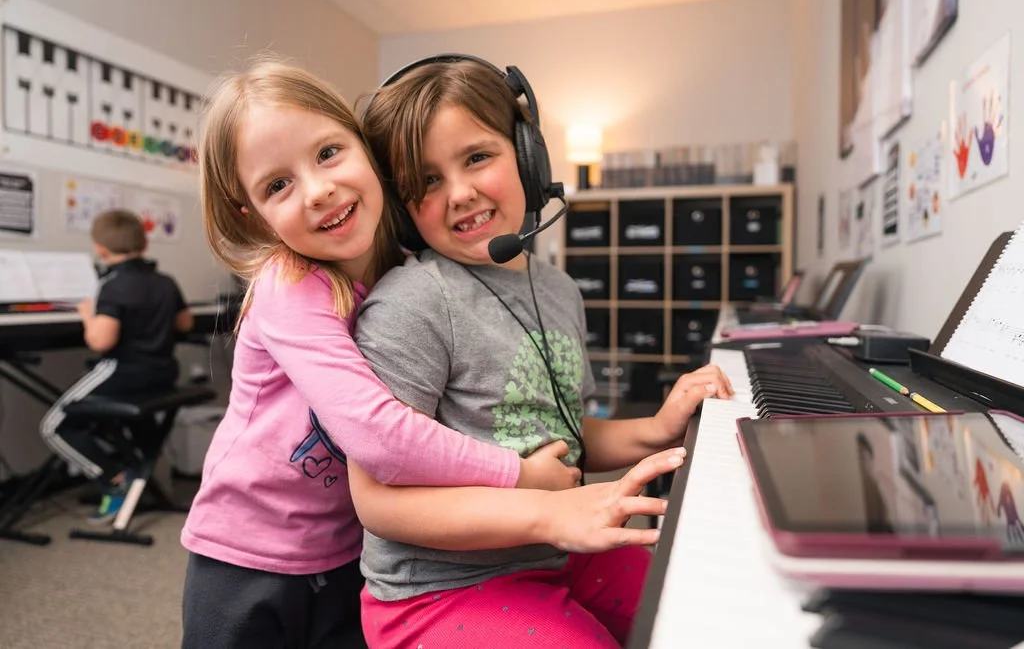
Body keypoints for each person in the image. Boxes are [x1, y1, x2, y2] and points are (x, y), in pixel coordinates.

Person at [180, 56, 676, 649]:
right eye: (277, 185)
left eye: (329, 153)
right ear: (252, 213)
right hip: (249, 549)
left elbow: (546, 423)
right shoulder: (295, 285)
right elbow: (379, 436)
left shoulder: (399, 271)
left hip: (339, 545)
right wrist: (522, 479)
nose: (318, 190)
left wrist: (654, 430)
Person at [354, 54, 733, 648]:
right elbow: (378, 504)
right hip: (439, 589)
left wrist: (661, 426)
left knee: (696, 616)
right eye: (427, 181)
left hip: (555, 552)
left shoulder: (556, 288)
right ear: (402, 209)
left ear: (529, 158)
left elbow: (566, 432)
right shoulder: (410, 305)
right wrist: (553, 514)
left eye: (477, 157)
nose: (460, 193)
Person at [40, 208, 193, 523]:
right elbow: (186, 323)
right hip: (162, 373)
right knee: (113, 418)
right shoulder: (165, 282)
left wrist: (87, 314)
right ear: (144, 244)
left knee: (54, 426)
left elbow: (101, 341)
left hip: (123, 373)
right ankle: (137, 470)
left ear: (100, 248)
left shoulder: (113, 286)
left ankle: (113, 478)